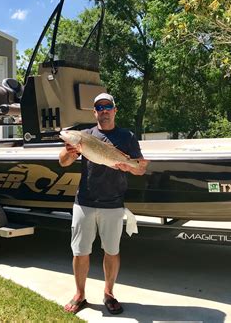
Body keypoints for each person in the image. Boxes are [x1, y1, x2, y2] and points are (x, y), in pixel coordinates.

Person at [59, 92, 147, 315]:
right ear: (94, 112)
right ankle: (80, 294)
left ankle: (109, 293)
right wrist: (70, 153)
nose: (104, 111)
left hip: (113, 203)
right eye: (100, 107)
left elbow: (140, 168)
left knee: (111, 250)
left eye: (108, 106)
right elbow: (63, 161)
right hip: (85, 201)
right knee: (80, 251)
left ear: (115, 110)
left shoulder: (126, 136)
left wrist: (132, 167)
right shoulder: (84, 135)